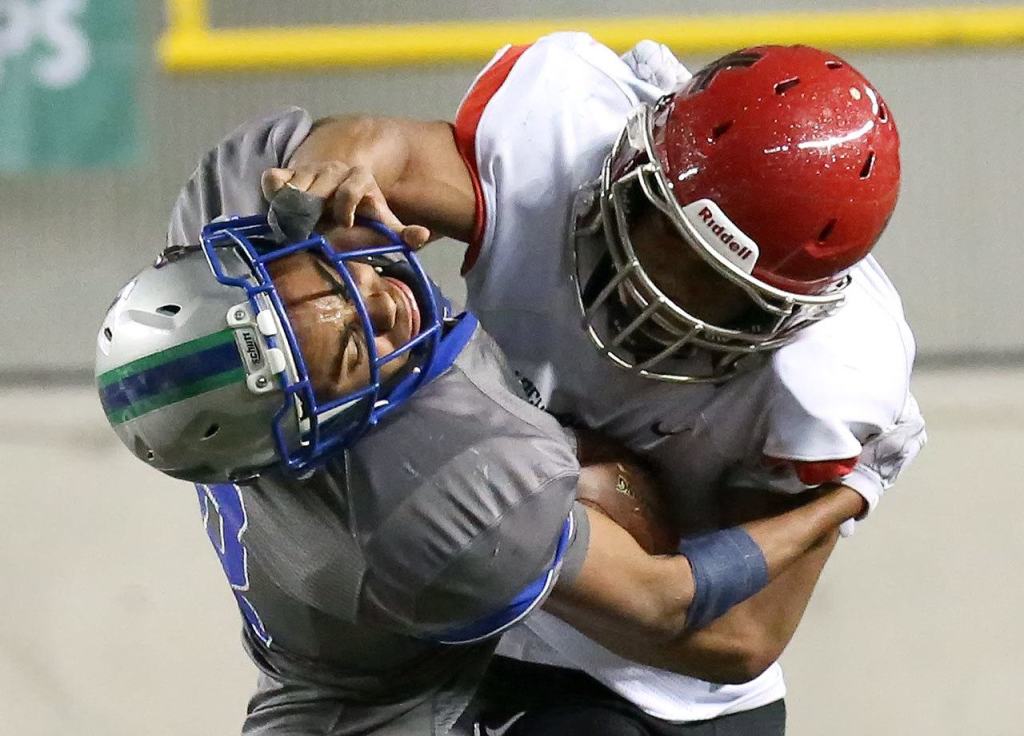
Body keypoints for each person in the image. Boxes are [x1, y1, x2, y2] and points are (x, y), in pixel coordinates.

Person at [94, 113, 870, 735]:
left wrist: (339, 162)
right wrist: (849, 494)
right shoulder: (438, 498)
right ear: (320, 424)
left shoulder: (236, 199)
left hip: (340, 632)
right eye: (347, 355)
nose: (382, 302)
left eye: (326, 282)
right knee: (608, 491)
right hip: (380, 711)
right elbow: (672, 601)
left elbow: (361, 140)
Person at [254, 34, 926, 734]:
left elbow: (741, 639)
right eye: (663, 235)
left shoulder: (826, 377)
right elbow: (375, 146)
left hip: (638, 692)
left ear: (795, 309)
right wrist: (331, 168)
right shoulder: (560, 149)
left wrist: (512, 543)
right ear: (629, 166)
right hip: (449, 633)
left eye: (719, 291)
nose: (661, 298)